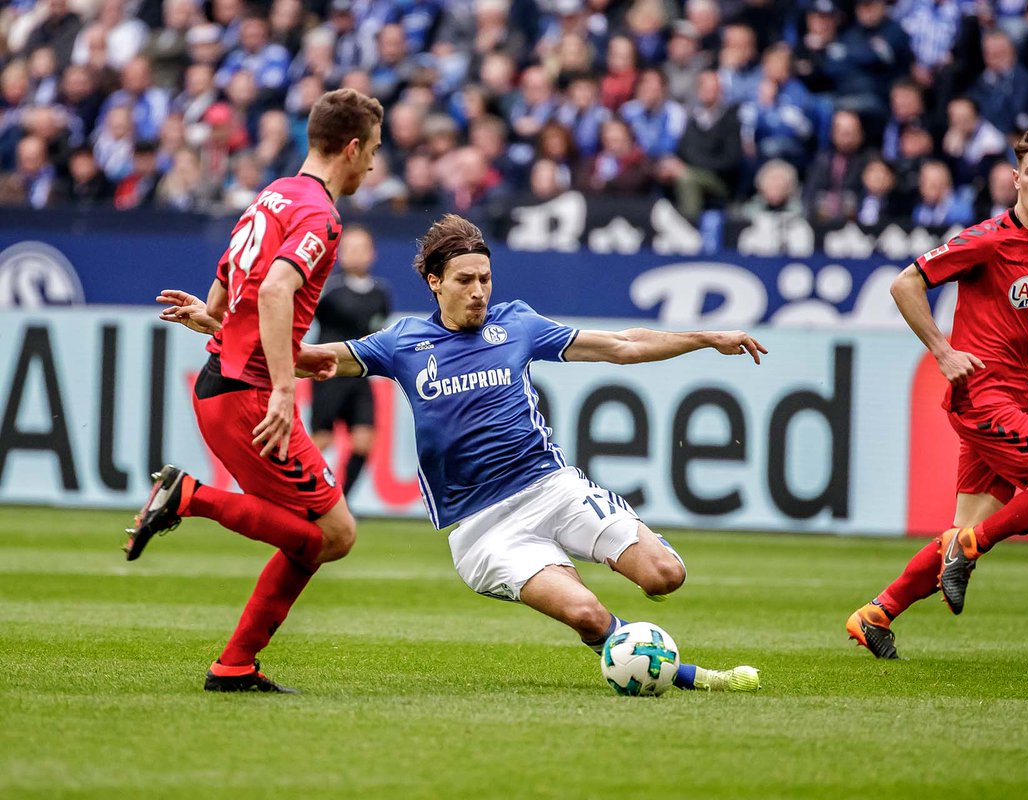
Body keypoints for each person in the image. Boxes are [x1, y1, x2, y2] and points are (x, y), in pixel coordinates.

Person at [306, 213, 764, 692]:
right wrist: (253, 343)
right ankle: (689, 675)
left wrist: (706, 338)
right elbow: (318, 358)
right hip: (484, 530)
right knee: (587, 615)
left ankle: (642, 551)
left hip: (552, 489)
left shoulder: (516, 324)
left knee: (665, 576)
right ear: (435, 282)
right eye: (464, 281)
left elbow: (622, 345)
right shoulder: (403, 343)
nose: (479, 291)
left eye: (485, 279)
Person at [125, 88, 384, 693]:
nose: (373, 165)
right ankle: (189, 496)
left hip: (224, 384)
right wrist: (284, 390)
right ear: (351, 148)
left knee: (312, 539)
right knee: (337, 534)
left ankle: (235, 665)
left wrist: (217, 319)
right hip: (249, 397)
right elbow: (272, 291)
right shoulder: (321, 216)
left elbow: (228, 285)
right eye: (372, 151)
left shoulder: (273, 194)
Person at [846, 126, 1028, 659]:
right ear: (1015, 179)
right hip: (980, 399)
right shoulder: (987, 239)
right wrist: (943, 352)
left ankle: (876, 614)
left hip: (1013, 402)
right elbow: (904, 284)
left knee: (962, 528)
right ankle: (970, 549)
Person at [310, 225, 392, 502]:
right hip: (328, 374)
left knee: (364, 440)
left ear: (372, 254)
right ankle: (294, 495)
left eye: (361, 248)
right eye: (350, 249)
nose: (356, 254)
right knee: (322, 439)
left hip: (359, 375)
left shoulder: (380, 293)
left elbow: (379, 328)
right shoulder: (330, 289)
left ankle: (340, 502)